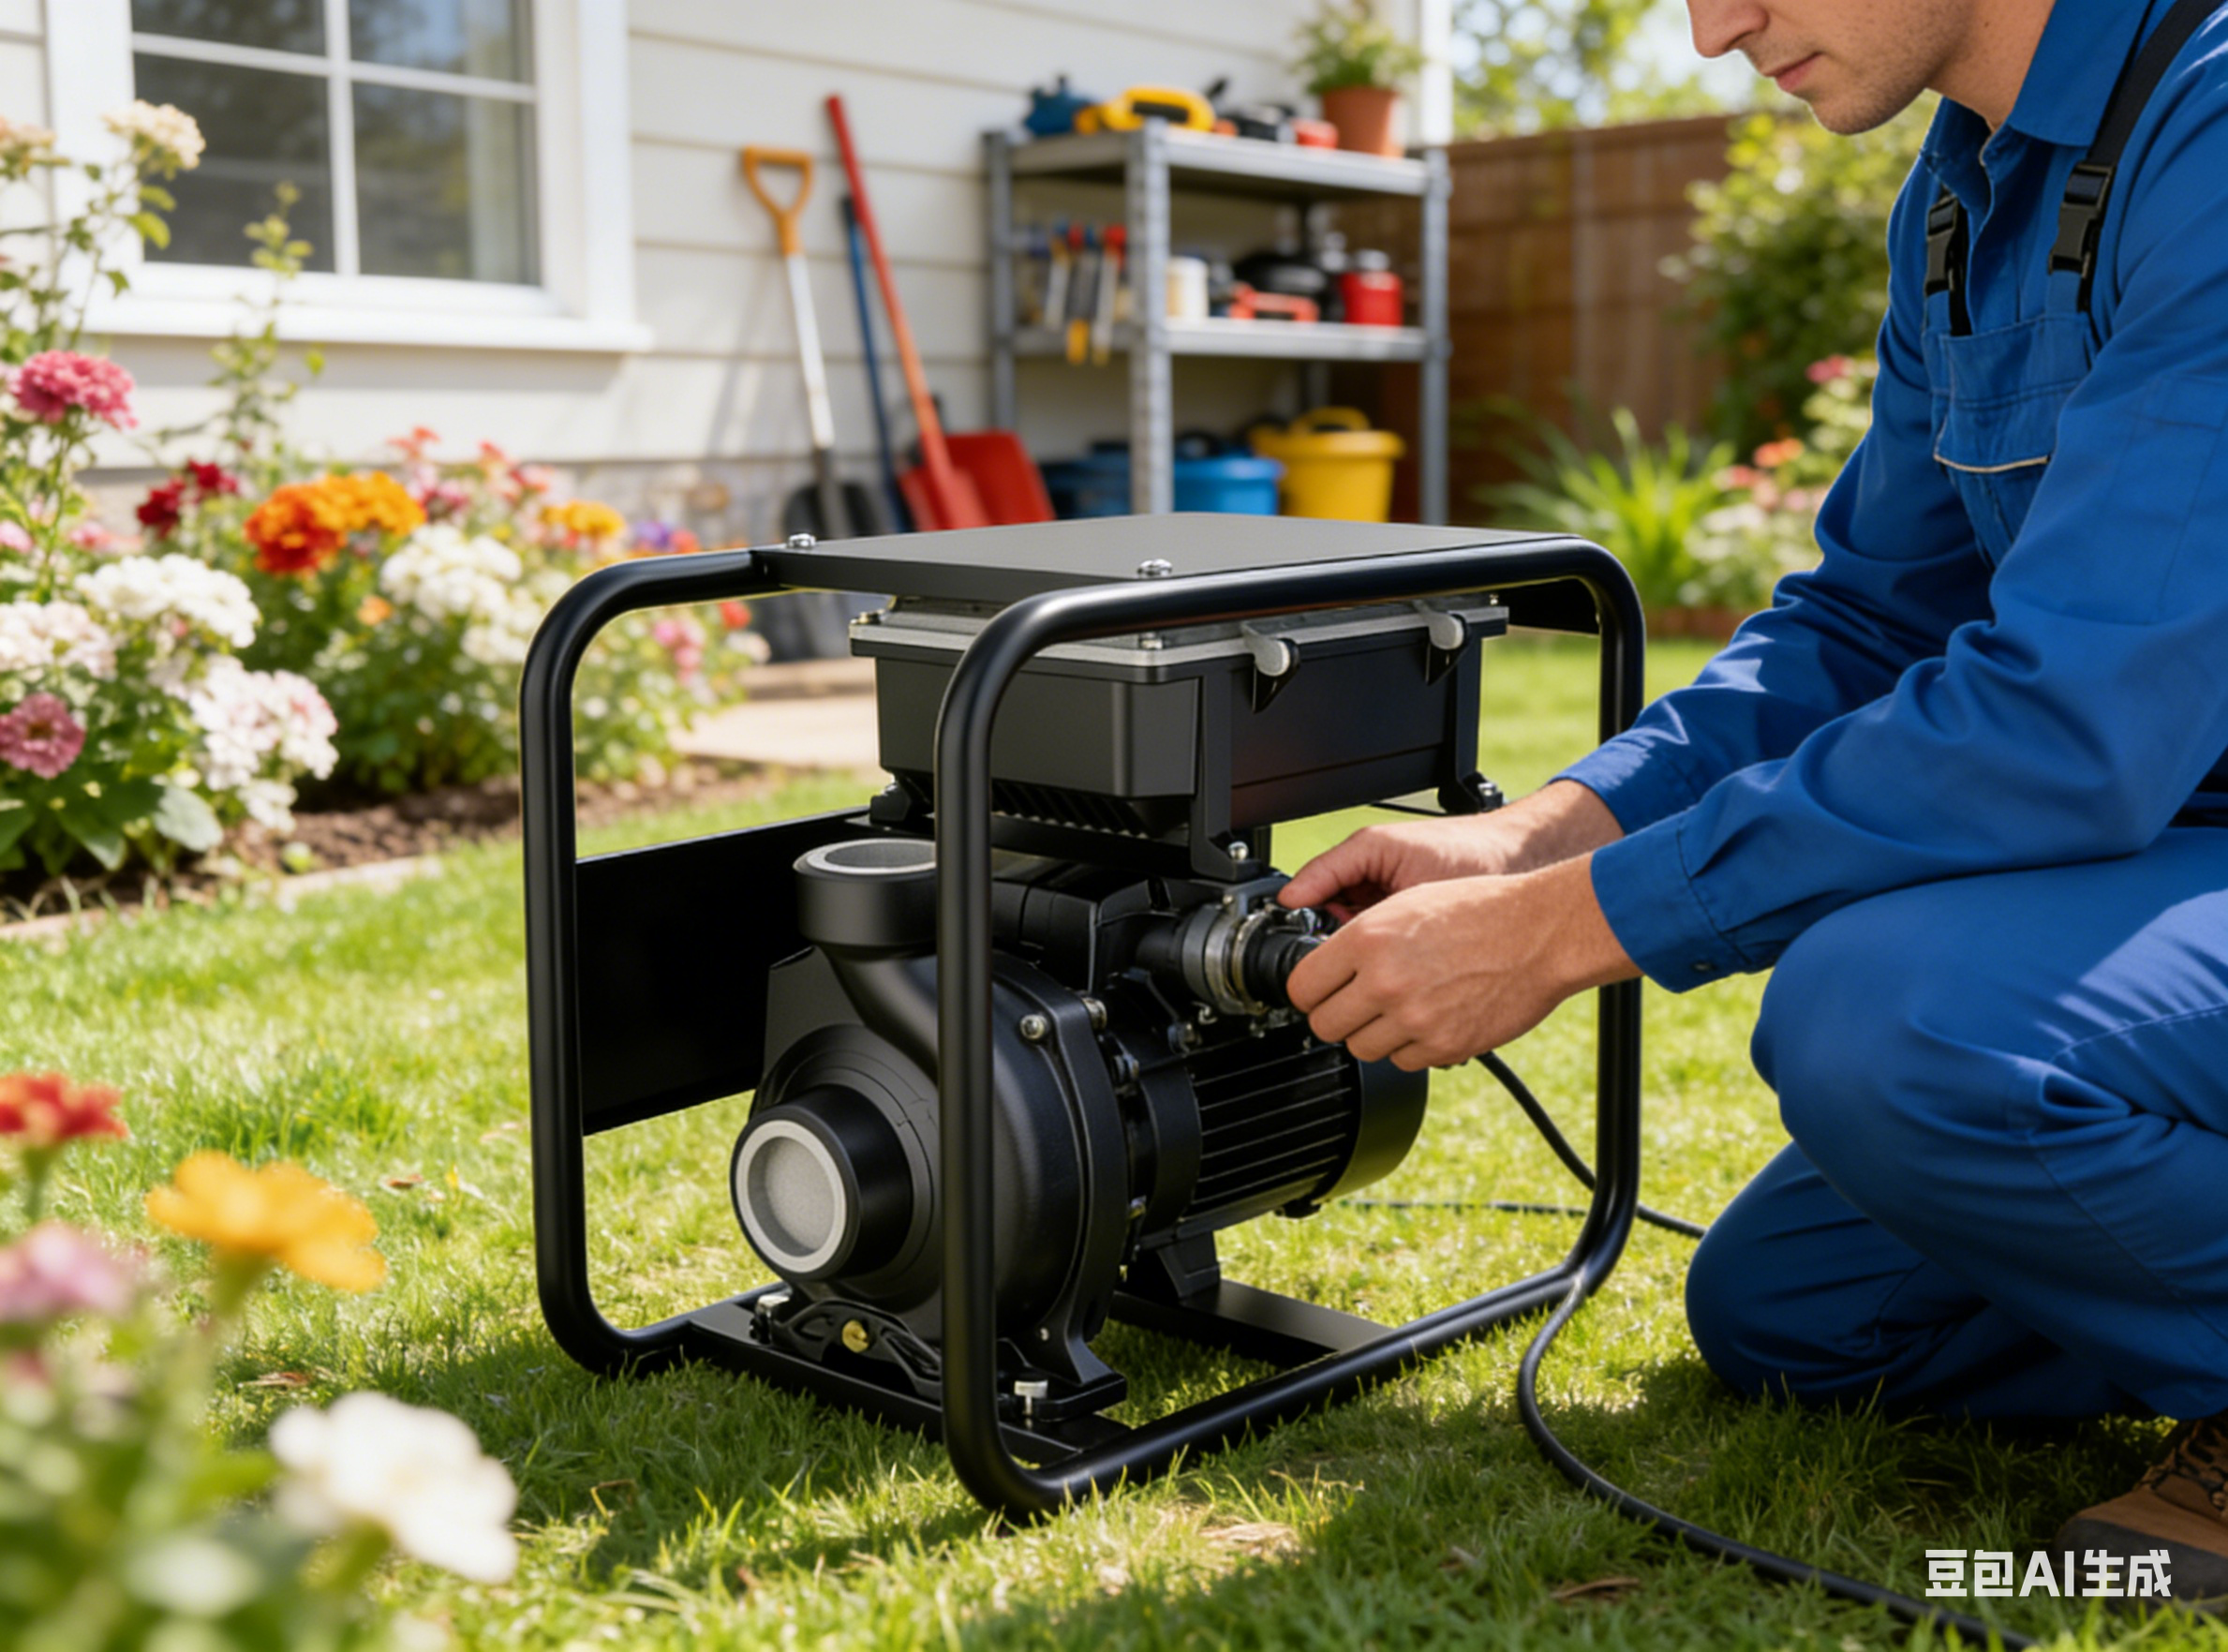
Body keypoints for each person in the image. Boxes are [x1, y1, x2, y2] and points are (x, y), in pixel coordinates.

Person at [1280, 0, 2228, 1608]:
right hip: (2174, 851)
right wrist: (1540, 833)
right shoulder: (1964, 187)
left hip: (2147, 812)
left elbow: (2067, 723)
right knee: (1797, 1317)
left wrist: (1563, 927)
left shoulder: (2208, 126)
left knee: (1896, 1021)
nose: (1714, 31)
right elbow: (1871, 618)